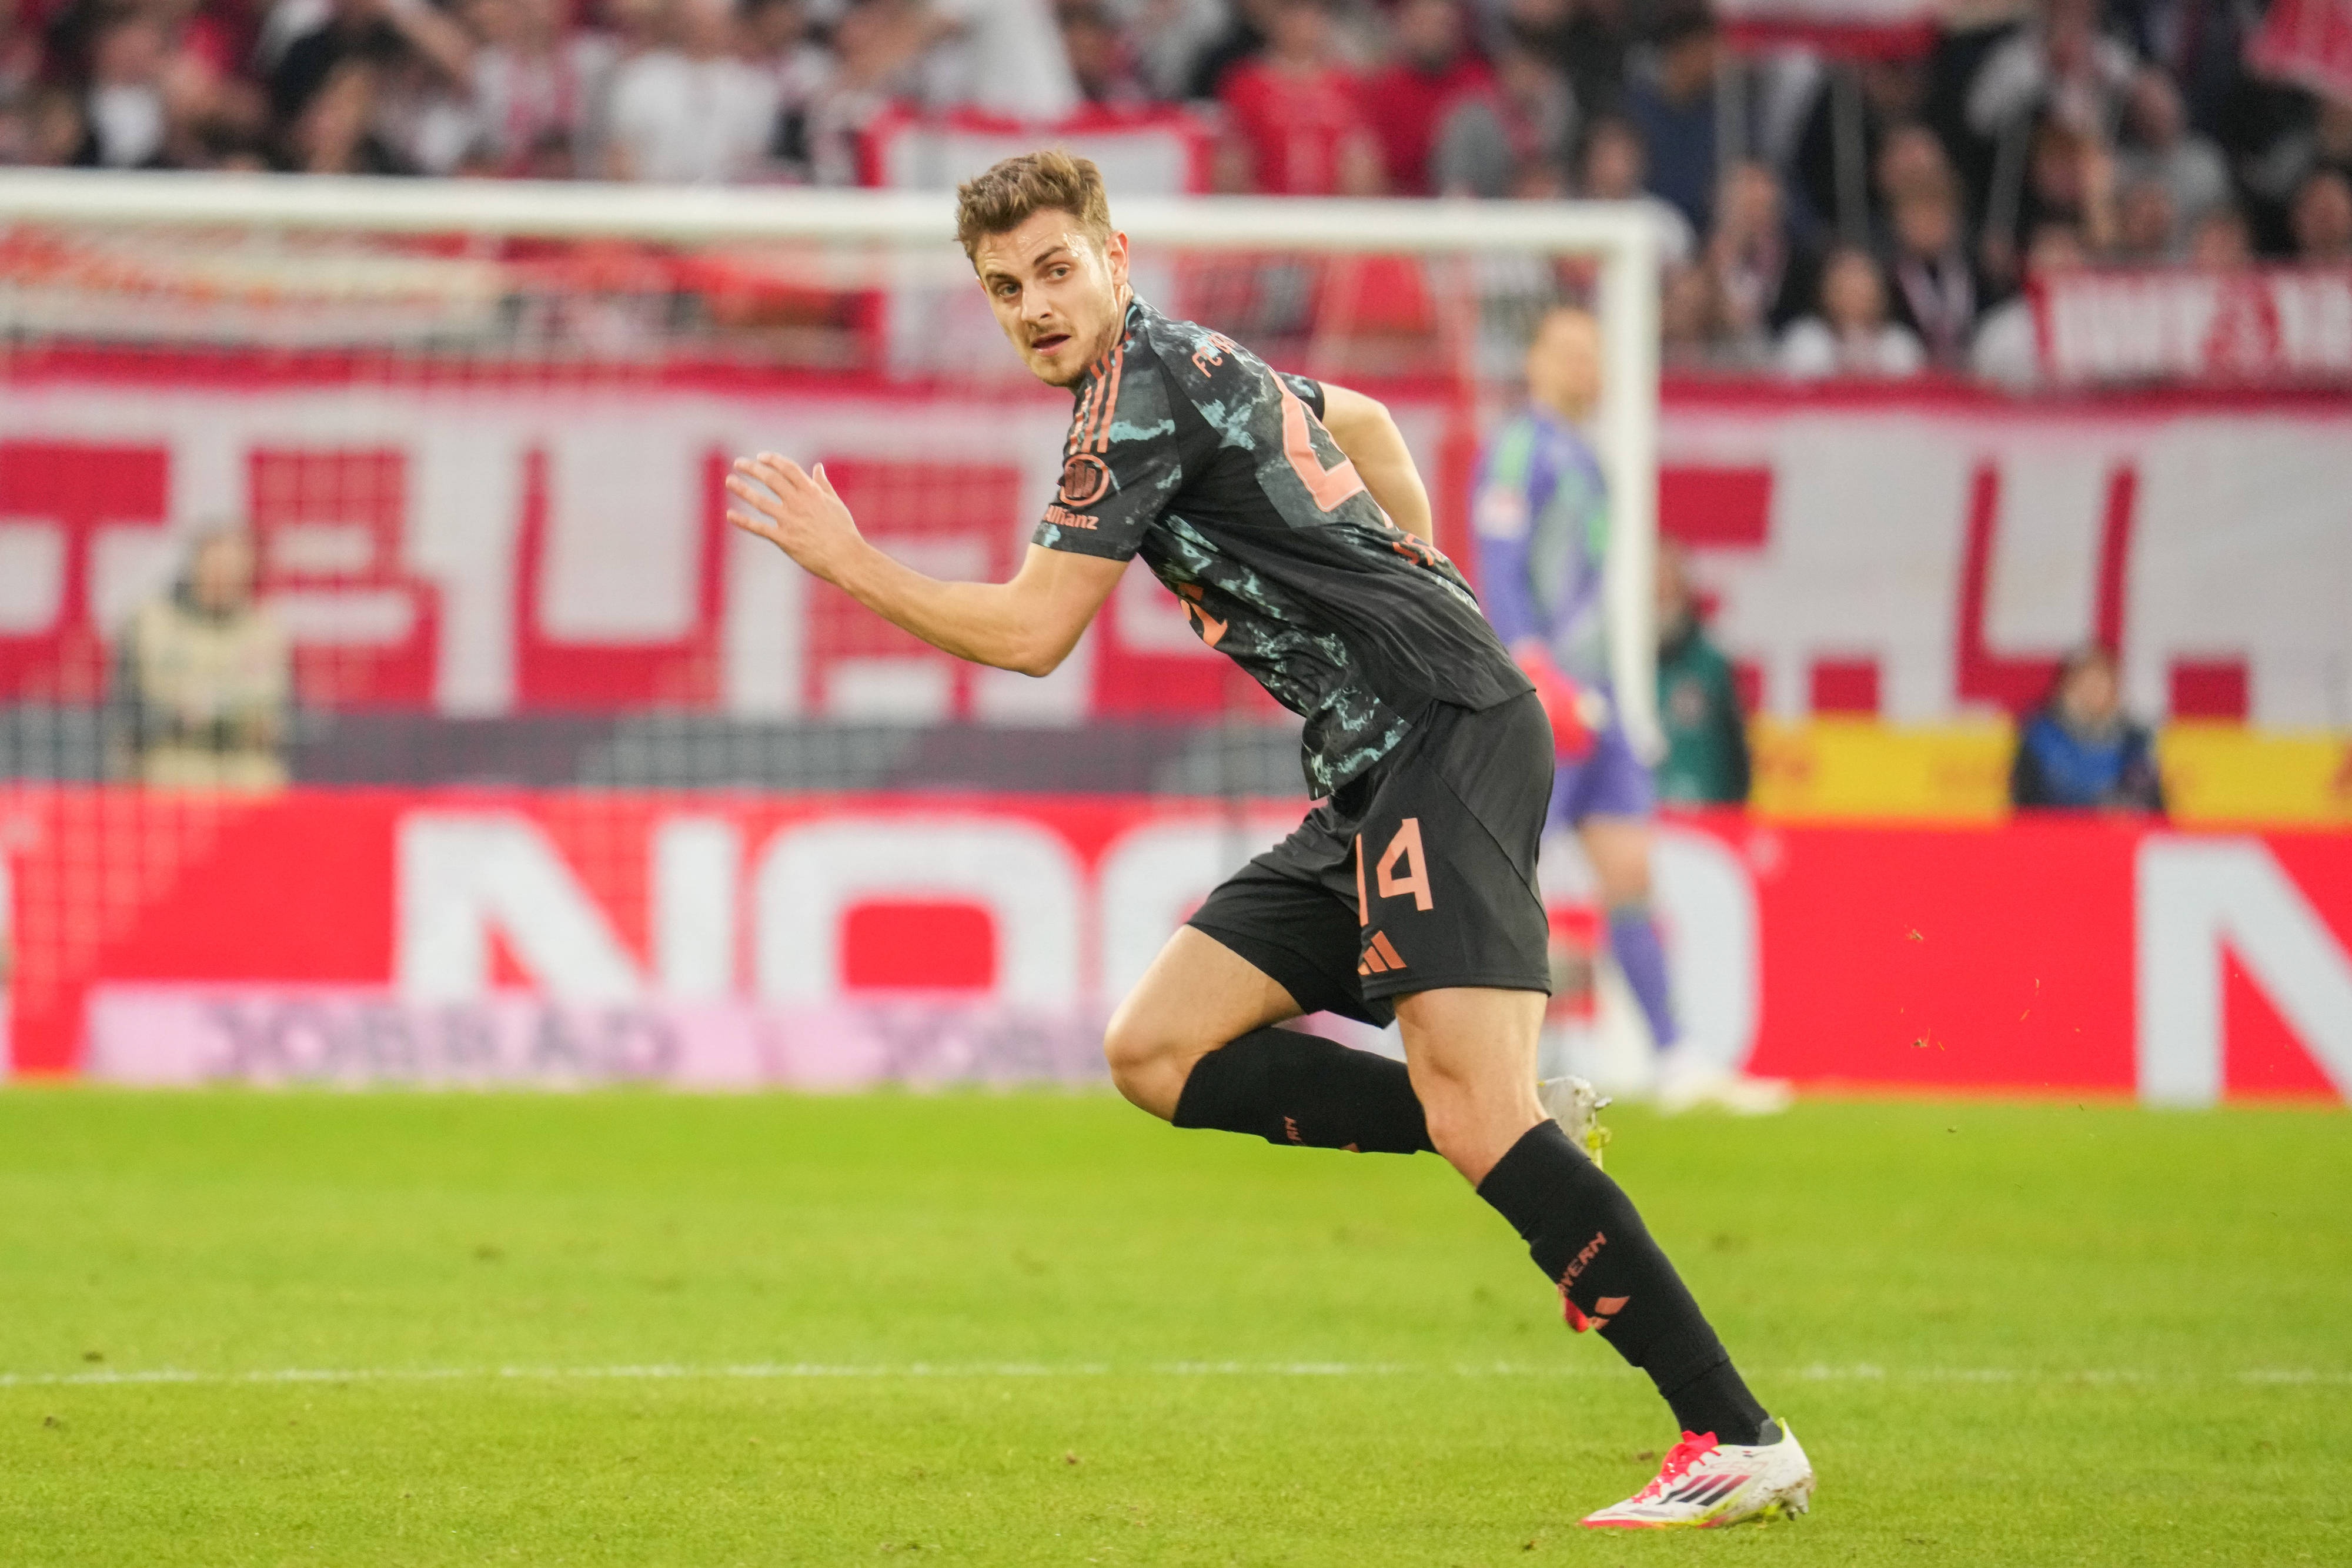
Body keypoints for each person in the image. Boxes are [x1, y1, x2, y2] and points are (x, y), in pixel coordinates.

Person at [724, 149, 1815, 1530]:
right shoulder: (1191, 360)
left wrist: (847, 561)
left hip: (1435, 737)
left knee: (1475, 1108)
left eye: (1055, 270)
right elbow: (1369, 425)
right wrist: (1415, 574)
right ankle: (1518, 1134)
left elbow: (1032, 632)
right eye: (1004, 288)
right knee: (1157, 1051)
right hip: (1370, 765)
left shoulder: (1131, 401)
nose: (1034, 305)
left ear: (1114, 261)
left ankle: (1734, 1433)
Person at [1473, 306, 1789, 1115]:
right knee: (1507, 881)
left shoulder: (1590, 458)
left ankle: (1675, 1057)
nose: (1587, 366)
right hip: (1546, 695)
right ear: (1535, 360)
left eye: (1595, 352)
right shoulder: (1520, 447)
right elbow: (1499, 563)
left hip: (1601, 699)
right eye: (1569, 351)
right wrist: (1531, 663)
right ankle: (1483, 1067)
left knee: (1630, 873)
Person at [112, 526, 292, 794]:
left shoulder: (266, 629)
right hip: (171, 777)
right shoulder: (152, 622)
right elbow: (126, 714)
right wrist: (178, 716)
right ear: (195, 565)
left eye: (235, 567)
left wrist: (227, 712)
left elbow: (292, 720)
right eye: (217, 564)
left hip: (248, 781)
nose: (225, 575)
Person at [2010, 644, 2165, 813]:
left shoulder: (2134, 740)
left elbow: (2151, 803)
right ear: (2067, 686)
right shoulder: (2039, 736)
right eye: (2086, 681)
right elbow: (2024, 802)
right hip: (2053, 827)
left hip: (2112, 829)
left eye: (2101, 681)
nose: (2093, 690)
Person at [1653, 540, 1749, 807]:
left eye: (1667, 584)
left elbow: (1737, 756)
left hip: (1704, 815)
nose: (1659, 591)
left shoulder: (1711, 664)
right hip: (1634, 818)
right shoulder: (1613, 670)